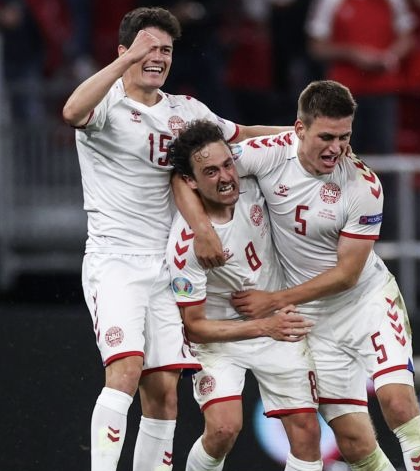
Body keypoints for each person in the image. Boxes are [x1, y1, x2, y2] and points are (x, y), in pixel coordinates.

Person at [61, 7, 289, 471]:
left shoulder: (185, 111)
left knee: (164, 395)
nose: (157, 57)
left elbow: (242, 135)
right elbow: (71, 112)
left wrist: (302, 137)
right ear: (123, 51)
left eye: (165, 50)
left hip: (167, 266)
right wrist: (125, 62)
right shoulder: (105, 104)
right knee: (124, 371)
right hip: (116, 261)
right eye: (147, 47)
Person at [226, 80, 420, 471]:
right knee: (354, 443)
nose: (337, 149)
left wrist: (274, 300)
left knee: (397, 403)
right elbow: (200, 167)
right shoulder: (268, 154)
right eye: (326, 137)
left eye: (345, 137)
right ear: (299, 129)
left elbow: (346, 275)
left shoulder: (363, 185)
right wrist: (202, 229)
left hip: (365, 302)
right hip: (313, 319)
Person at [165, 120, 322, 471]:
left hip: (274, 321)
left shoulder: (251, 180)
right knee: (223, 429)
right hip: (220, 336)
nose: (225, 178)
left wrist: (320, 138)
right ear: (191, 181)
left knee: (308, 432)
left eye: (227, 165)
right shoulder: (186, 246)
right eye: (210, 172)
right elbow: (194, 328)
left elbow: (293, 141)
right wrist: (264, 327)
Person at [306, 0, 416, 155]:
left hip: (383, 90)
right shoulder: (329, 3)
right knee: (341, 151)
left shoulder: (393, 3)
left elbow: (408, 38)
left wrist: (388, 57)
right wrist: (352, 54)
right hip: (343, 94)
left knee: (384, 151)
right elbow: (316, 48)